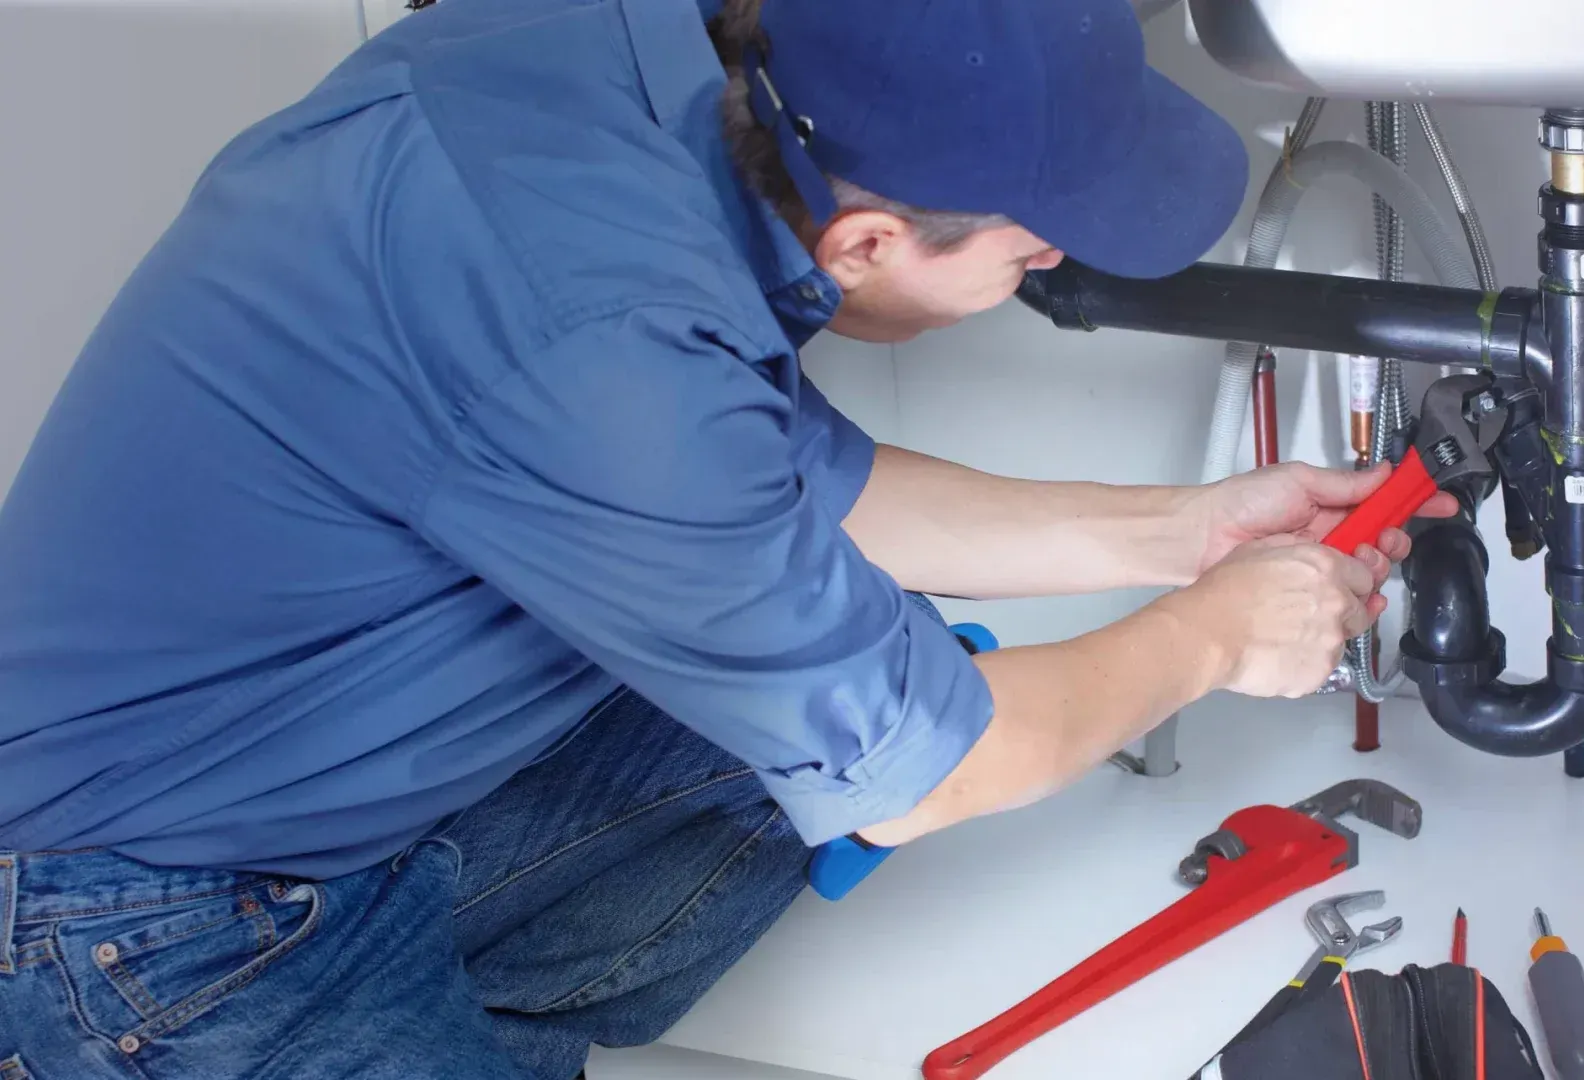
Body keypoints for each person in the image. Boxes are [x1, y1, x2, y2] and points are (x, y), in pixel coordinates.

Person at [0, 0, 1451, 1077]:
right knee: (887, 723)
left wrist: (1190, 534)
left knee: (800, 730)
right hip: (152, 921)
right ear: (867, 244)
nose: (1053, 264)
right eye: (1031, 248)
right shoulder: (606, 350)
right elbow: (935, 773)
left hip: (310, 776)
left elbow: (795, 489)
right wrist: (1215, 639)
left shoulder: (628, 66)